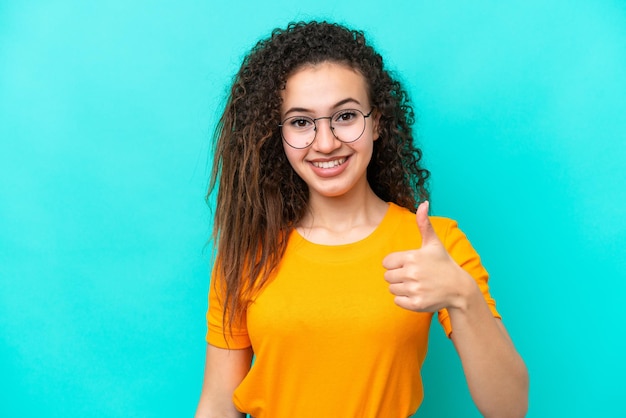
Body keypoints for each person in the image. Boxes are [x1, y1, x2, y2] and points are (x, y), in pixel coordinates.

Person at [195, 21, 529, 418]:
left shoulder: (434, 245)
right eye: (301, 122)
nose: (325, 142)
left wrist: (462, 294)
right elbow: (218, 405)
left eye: (346, 116)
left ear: (377, 122)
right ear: (279, 134)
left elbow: (510, 408)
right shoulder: (250, 253)